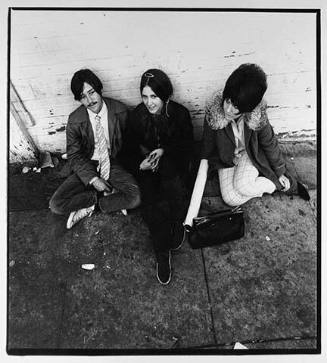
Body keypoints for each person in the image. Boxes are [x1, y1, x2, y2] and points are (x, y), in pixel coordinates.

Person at [201, 63, 309, 207]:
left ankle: (283, 186)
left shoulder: (256, 116)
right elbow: (207, 145)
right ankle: (265, 183)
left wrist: (280, 171)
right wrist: (203, 168)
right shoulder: (214, 113)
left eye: (236, 107)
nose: (228, 109)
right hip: (227, 158)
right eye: (228, 101)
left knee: (243, 186)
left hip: (250, 153)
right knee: (230, 199)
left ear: (247, 108)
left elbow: (269, 142)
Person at [122, 69, 194, 285]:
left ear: (165, 95)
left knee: (174, 189)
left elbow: (187, 147)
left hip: (173, 164)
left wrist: (164, 151)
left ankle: (178, 222)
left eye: (154, 96)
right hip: (148, 167)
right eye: (145, 96)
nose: (149, 102)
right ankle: (162, 252)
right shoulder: (137, 116)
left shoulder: (180, 114)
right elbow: (126, 152)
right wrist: (140, 164)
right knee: (151, 206)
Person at [49, 69, 141, 228]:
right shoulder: (75, 119)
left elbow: (133, 144)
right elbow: (75, 155)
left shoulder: (120, 111)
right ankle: (103, 201)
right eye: (83, 97)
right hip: (87, 164)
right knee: (56, 205)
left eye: (91, 92)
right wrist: (93, 179)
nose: (90, 100)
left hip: (113, 163)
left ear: (99, 89)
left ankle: (92, 205)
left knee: (135, 198)